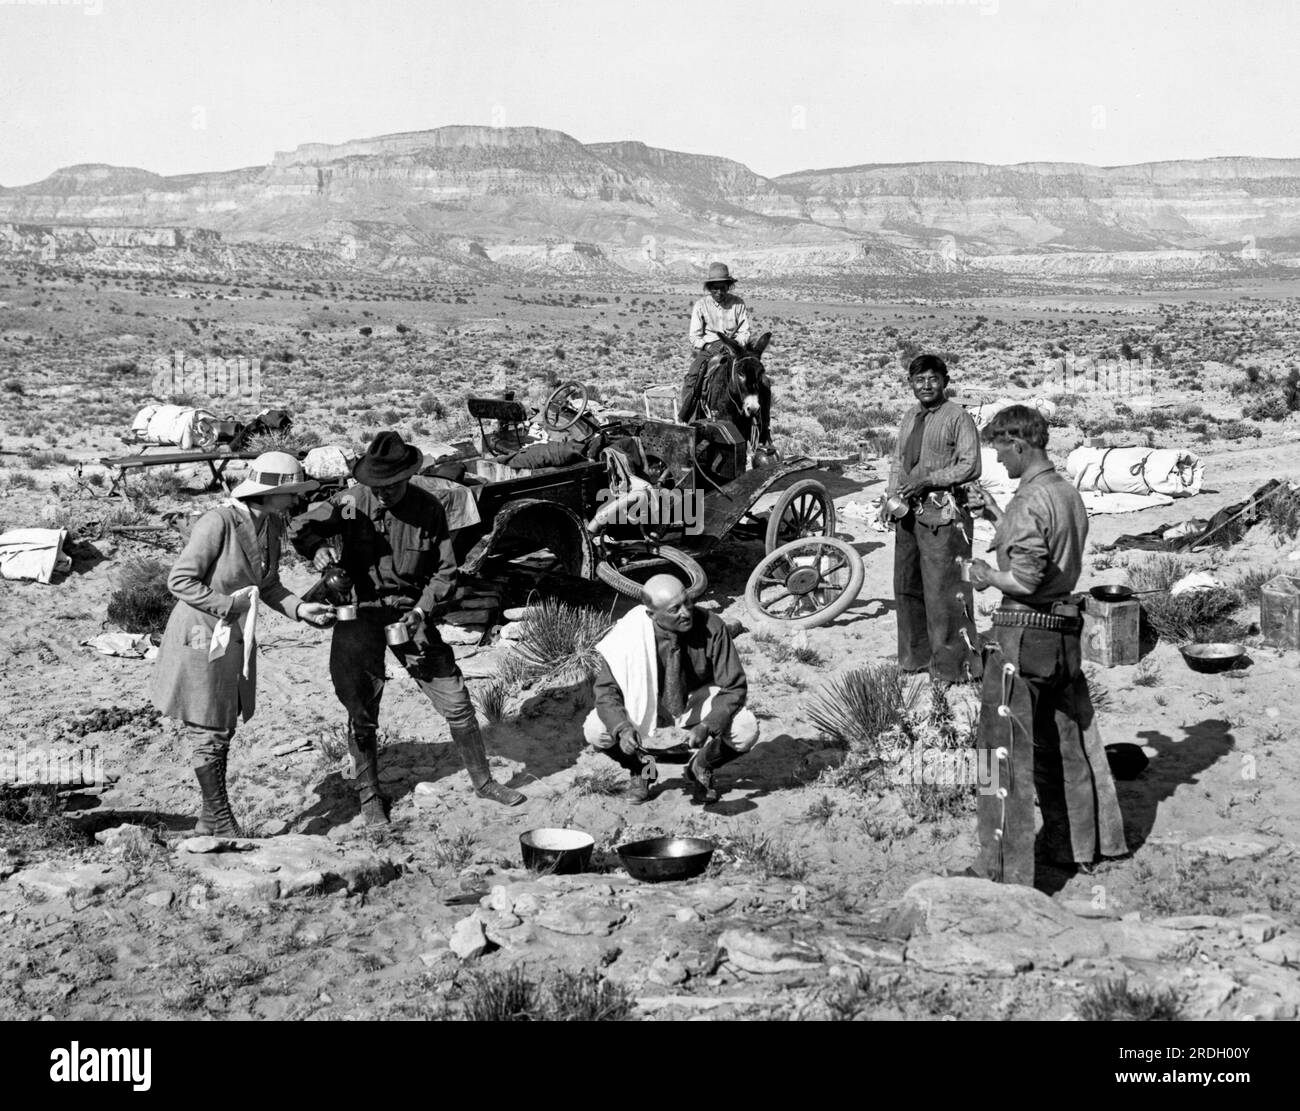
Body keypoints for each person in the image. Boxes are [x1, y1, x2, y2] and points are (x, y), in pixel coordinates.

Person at [289, 431, 525, 821]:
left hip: (408, 613)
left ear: (407, 477)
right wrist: (317, 548)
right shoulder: (349, 503)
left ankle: (484, 783)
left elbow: (445, 571)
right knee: (361, 705)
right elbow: (300, 525)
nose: (382, 493)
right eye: (376, 486)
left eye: (391, 486)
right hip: (359, 612)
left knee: (456, 698)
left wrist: (422, 610)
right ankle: (369, 796)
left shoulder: (428, 508)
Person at [965, 405, 1127, 886]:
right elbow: (1047, 548)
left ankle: (998, 867)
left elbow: (1027, 577)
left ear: (1019, 444)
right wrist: (998, 515)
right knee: (1067, 748)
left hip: (1023, 638)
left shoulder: (1029, 500)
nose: (998, 459)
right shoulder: (1066, 493)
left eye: (999, 448)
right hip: (1063, 641)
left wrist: (985, 574)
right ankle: (1078, 847)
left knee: (998, 757)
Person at [151, 452, 335, 836]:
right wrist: (227, 606)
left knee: (221, 723)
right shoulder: (218, 522)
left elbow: (266, 586)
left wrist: (302, 610)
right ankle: (217, 818)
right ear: (271, 492)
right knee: (209, 726)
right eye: (291, 492)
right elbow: (180, 581)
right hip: (200, 634)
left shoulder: (268, 526)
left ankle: (209, 818)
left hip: (231, 635)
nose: (296, 500)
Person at [583, 574, 759, 803]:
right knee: (596, 730)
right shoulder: (628, 635)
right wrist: (623, 728)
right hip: (646, 700)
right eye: (674, 609)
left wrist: (708, 724)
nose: (686, 612)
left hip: (695, 699)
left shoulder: (711, 625)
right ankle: (643, 768)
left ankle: (701, 766)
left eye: (687, 602)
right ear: (652, 615)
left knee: (745, 729)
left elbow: (734, 686)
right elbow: (606, 692)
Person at [886, 353, 982, 683]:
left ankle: (954, 668)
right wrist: (890, 496)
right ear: (911, 384)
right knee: (907, 585)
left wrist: (928, 480)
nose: (926, 385)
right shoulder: (910, 416)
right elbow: (898, 460)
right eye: (919, 380)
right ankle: (915, 659)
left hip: (944, 513)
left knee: (946, 589)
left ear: (945, 382)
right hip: (908, 512)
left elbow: (970, 465)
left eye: (933, 379)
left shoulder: (958, 417)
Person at [679, 262, 752, 423]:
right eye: (715, 288)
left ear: (728, 286)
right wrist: (708, 346)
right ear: (709, 287)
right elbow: (694, 336)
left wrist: (734, 344)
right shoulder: (701, 305)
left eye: (723, 288)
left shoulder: (738, 303)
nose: (719, 292)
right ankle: (687, 418)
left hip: (734, 349)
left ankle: (762, 428)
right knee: (692, 376)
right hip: (710, 348)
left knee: (757, 377)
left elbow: (745, 331)